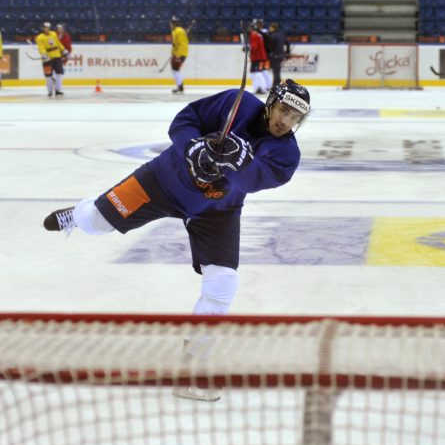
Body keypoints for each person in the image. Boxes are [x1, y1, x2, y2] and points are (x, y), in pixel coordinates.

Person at [43, 79, 310, 315]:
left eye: (295, 117)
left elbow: (252, 180)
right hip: (159, 181)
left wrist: (239, 161)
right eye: (283, 110)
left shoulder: (287, 155)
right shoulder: (235, 102)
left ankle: (196, 351)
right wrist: (192, 148)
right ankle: (78, 215)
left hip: (216, 210)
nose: (285, 121)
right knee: (95, 224)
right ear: (271, 104)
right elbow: (185, 121)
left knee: (223, 283)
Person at [35, 22, 67, 97]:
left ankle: (58, 90)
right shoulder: (40, 37)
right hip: (47, 58)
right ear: (42, 28)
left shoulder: (54, 34)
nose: (47, 29)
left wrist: (63, 50)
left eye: (48, 27)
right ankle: (49, 91)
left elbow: (58, 43)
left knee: (59, 73)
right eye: (45, 27)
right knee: (48, 75)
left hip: (57, 56)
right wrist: (43, 54)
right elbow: (41, 47)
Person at [248, 20, 271, 95]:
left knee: (257, 73)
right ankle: (258, 87)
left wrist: (247, 48)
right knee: (255, 73)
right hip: (258, 57)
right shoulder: (257, 35)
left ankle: (262, 88)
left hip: (257, 57)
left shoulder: (254, 35)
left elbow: (254, 47)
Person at [170, 16, 189, 94]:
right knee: (175, 70)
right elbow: (176, 44)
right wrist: (173, 53)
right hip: (178, 53)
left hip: (180, 54)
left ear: (173, 23)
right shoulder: (175, 31)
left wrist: (177, 54)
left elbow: (182, 44)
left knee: (175, 70)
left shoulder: (179, 31)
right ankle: (180, 86)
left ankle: (180, 86)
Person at [268, 22, 290, 87]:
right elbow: (287, 43)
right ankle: (276, 85)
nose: (269, 29)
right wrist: (287, 52)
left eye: (270, 27)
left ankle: (276, 85)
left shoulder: (272, 36)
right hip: (281, 56)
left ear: (273, 28)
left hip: (275, 56)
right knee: (277, 71)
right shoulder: (282, 35)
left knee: (276, 72)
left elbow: (270, 47)